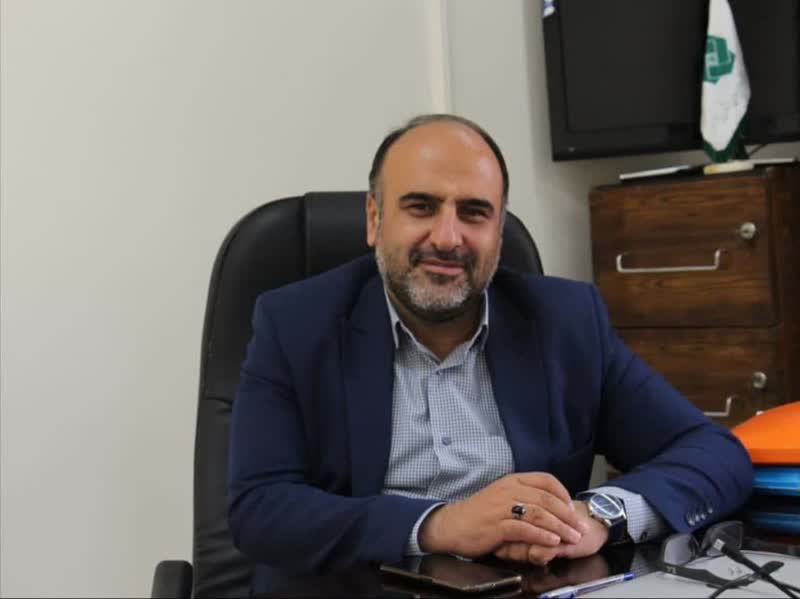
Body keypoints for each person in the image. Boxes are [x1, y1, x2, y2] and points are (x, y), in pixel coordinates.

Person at [228, 114, 753, 593]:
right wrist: (439, 524)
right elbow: (261, 507)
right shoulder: (296, 324)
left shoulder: (566, 323)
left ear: (499, 234)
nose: (447, 237)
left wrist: (597, 516)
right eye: (421, 207)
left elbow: (714, 453)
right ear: (374, 218)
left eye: (474, 213)